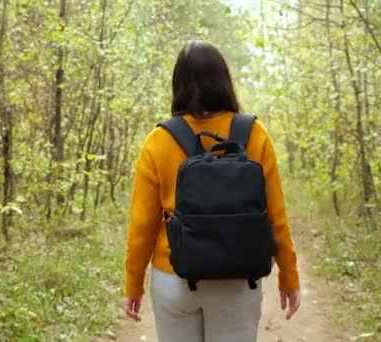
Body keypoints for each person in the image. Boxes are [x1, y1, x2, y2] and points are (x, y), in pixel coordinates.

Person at [123, 41, 300, 342]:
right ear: (223, 81)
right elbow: (275, 216)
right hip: (239, 278)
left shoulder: (158, 140)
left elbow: (143, 226)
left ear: (178, 84)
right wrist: (288, 276)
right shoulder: (255, 134)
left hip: (175, 275)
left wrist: (133, 284)